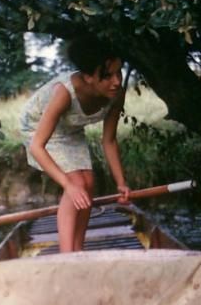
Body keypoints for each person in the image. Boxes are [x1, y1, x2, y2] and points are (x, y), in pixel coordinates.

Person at [20, 34, 131, 253]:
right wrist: (67, 184)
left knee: (88, 181)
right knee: (76, 183)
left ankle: (78, 250)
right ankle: (67, 255)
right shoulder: (64, 93)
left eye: (119, 72)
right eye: (108, 75)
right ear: (89, 77)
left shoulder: (116, 94)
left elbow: (108, 140)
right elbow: (37, 146)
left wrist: (121, 182)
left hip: (70, 130)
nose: (117, 81)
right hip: (37, 128)